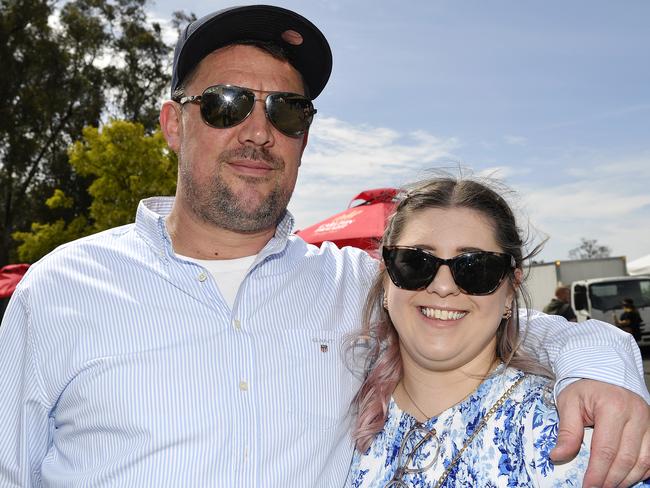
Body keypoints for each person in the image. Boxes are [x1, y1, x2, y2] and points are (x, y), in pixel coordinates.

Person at [0, 5, 648, 487]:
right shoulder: (62, 289)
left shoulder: (357, 283)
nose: (259, 132)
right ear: (174, 123)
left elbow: (504, 325)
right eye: (227, 104)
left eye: (286, 111)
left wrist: (607, 369)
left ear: (304, 136)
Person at [347, 176, 649, 486]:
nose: (442, 286)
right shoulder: (349, 401)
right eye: (415, 262)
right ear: (385, 278)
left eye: (476, 268)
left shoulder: (560, 433)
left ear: (509, 292)